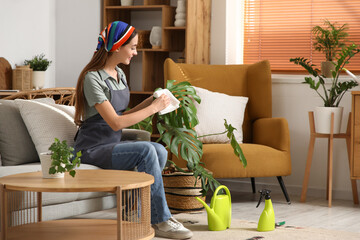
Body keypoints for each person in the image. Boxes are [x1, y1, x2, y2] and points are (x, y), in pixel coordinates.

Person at [74, 21, 193, 239]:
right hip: (91, 148)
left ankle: (132, 210)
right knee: (147, 151)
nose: (136, 52)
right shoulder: (92, 78)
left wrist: (151, 102)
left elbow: (124, 114)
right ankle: (160, 220)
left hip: (111, 144)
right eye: (133, 47)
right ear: (117, 46)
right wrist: (154, 108)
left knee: (160, 150)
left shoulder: (120, 73)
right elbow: (116, 123)